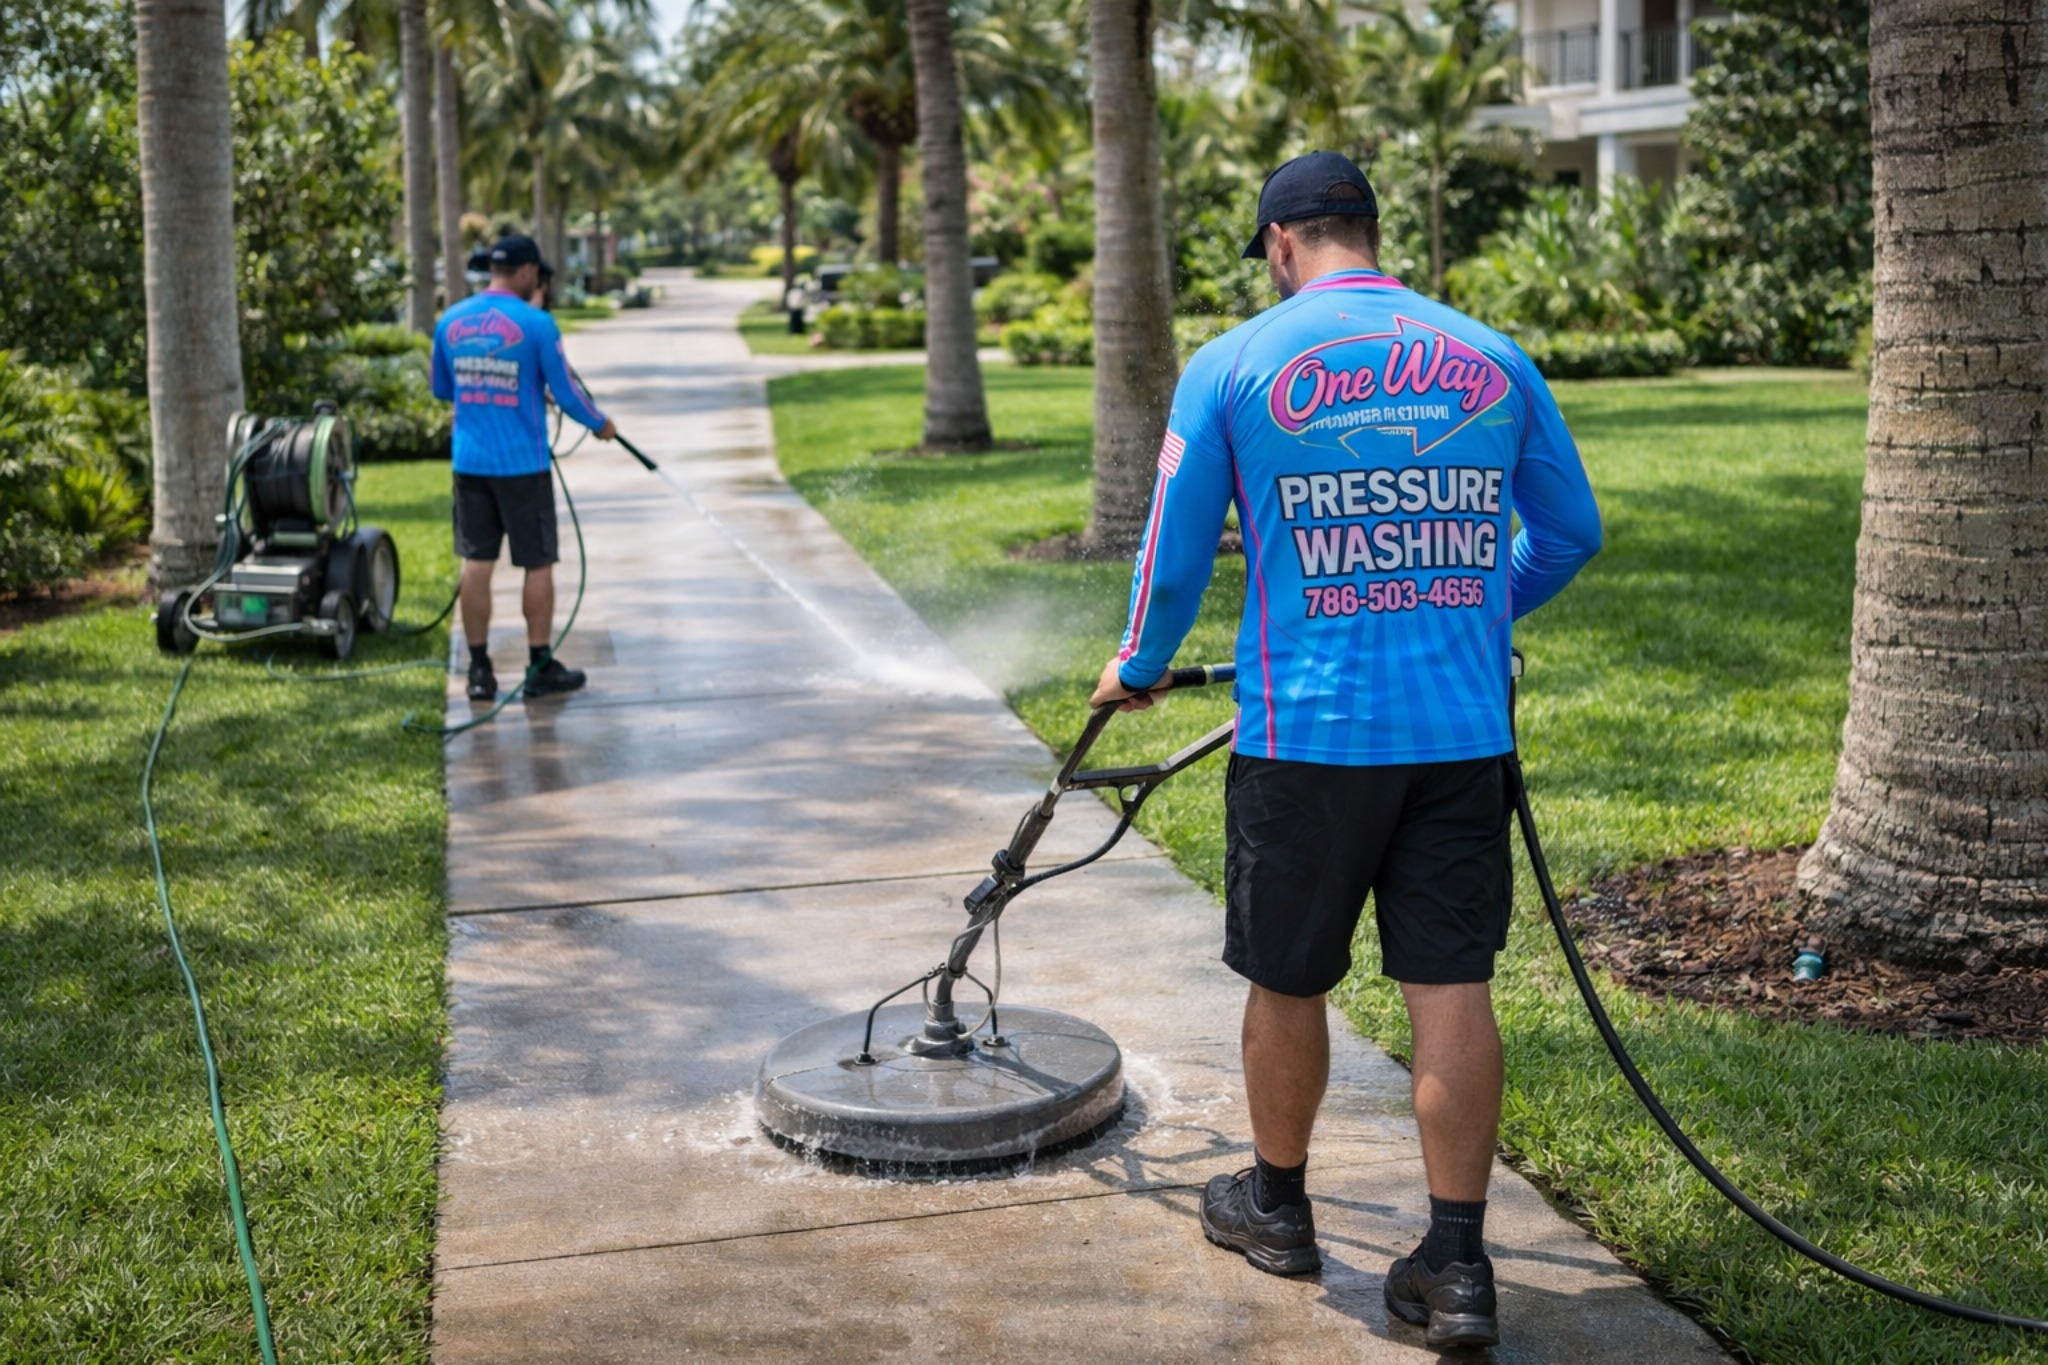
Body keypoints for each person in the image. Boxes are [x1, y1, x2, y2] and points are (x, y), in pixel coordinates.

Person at [1088, 151, 1601, 1350]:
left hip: (1306, 740)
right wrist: (1477, 608)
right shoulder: (1489, 354)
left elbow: (1169, 559)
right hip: (1458, 735)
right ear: (1368, 234)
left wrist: (1139, 663)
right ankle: (1459, 1267)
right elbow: (1570, 531)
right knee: (1449, 988)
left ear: (1278, 245)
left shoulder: (1232, 366)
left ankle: (1273, 1206)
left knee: (1286, 977)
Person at [431, 234, 617, 702]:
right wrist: (600, 423)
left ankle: (478, 671)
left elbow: (445, 390)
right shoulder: (537, 324)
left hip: (470, 464)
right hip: (522, 466)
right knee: (537, 563)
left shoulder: (449, 321)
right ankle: (538, 668)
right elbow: (569, 391)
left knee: (476, 563)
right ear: (529, 271)